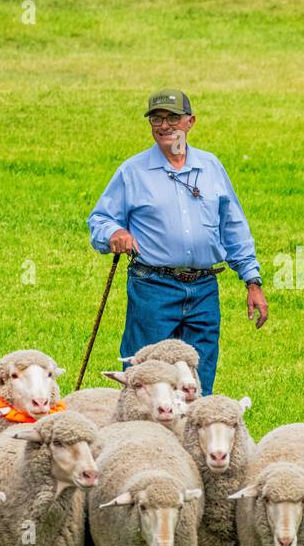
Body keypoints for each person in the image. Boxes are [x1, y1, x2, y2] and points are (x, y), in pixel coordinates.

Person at [87, 88, 267, 394]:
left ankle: (190, 438)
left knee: (197, 382)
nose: (164, 125)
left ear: (190, 121)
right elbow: (99, 221)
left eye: (173, 118)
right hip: (153, 288)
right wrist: (114, 234)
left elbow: (233, 226)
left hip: (203, 289)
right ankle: (140, 438)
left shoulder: (211, 167)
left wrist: (252, 281)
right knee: (145, 377)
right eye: (157, 118)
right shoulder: (133, 171)